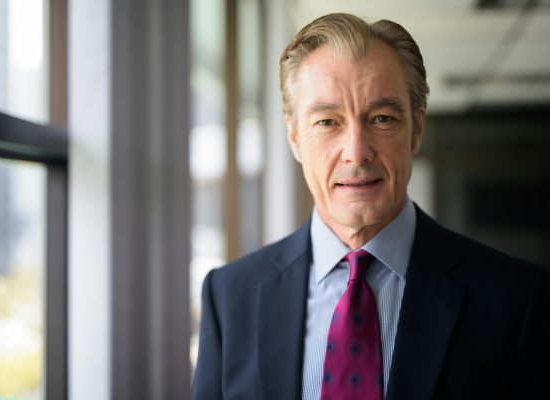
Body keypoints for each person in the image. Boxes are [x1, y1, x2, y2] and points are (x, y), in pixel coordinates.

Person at [192, 13, 550, 400]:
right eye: (328, 122)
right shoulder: (230, 298)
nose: (357, 152)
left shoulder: (516, 299)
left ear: (416, 128)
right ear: (295, 137)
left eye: (382, 118)